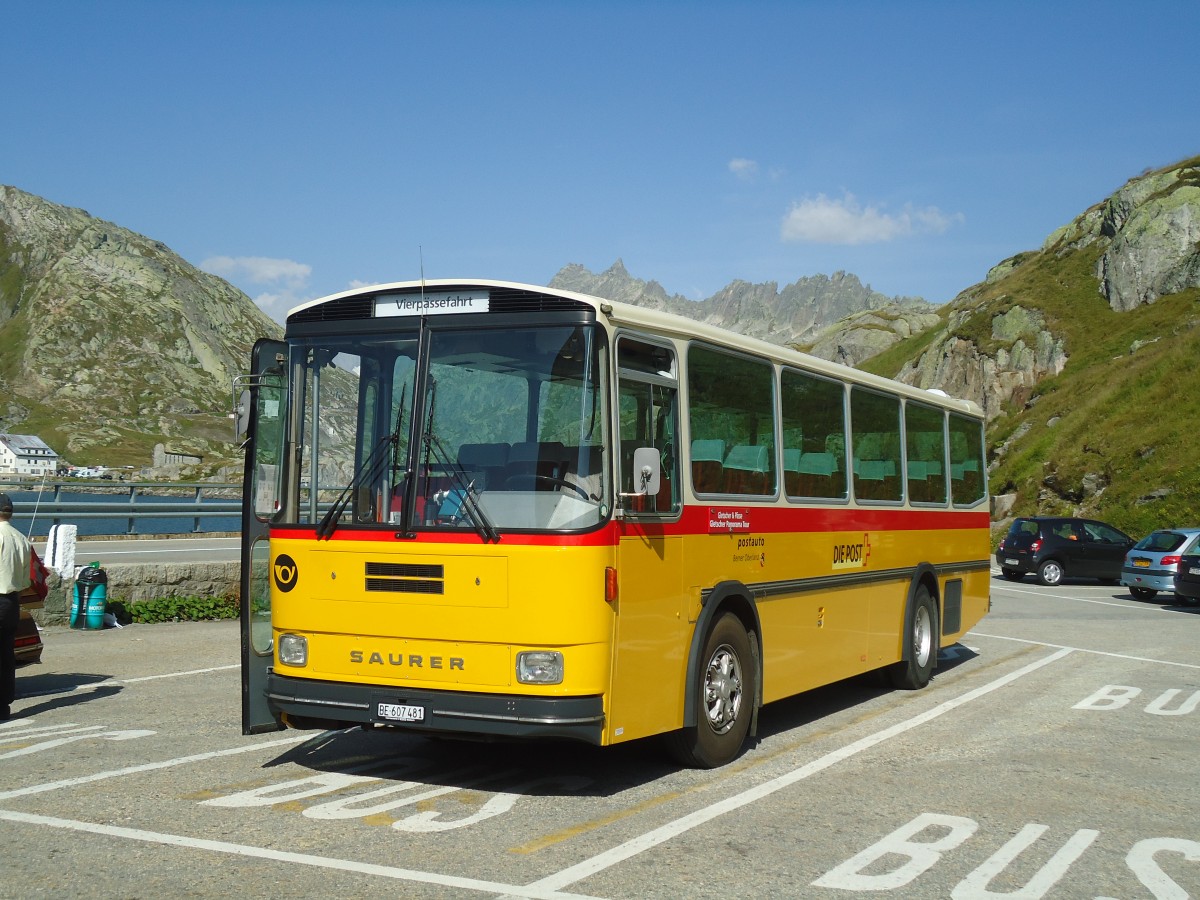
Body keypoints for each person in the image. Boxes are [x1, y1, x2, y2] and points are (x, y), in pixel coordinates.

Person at [0, 492, 32, 721]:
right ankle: (3, 707)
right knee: (5, 655)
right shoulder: (22, 539)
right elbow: (24, 582)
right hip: (11, 602)